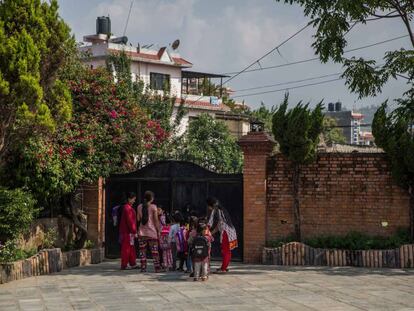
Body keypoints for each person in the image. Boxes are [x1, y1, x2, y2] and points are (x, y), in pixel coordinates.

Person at [207, 197, 238, 273]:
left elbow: (210, 223)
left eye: (208, 206)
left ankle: (223, 268)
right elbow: (218, 226)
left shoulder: (215, 210)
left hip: (226, 233)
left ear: (211, 205)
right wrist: (210, 233)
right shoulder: (221, 210)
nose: (208, 208)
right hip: (230, 232)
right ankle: (224, 266)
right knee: (227, 251)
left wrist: (205, 230)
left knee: (226, 251)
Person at [137, 191, 161, 272]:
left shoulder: (139, 207)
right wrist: (158, 230)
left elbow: (138, 219)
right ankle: (157, 268)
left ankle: (143, 267)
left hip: (141, 232)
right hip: (152, 232)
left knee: (142, 251)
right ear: (151, 198)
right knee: (154, 251)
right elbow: (156, 221)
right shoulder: (153, 207)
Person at [119, 192, 138, 270]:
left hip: (128, 232)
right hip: (127, 232)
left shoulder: (127, 207)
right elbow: (130, 221)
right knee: (126, 248)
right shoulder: (127, 208)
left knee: (130, 247)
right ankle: (124, 264)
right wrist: (134, 231)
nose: (134, 201)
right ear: (129, 199)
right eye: (133, 199)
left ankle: (132, 263)